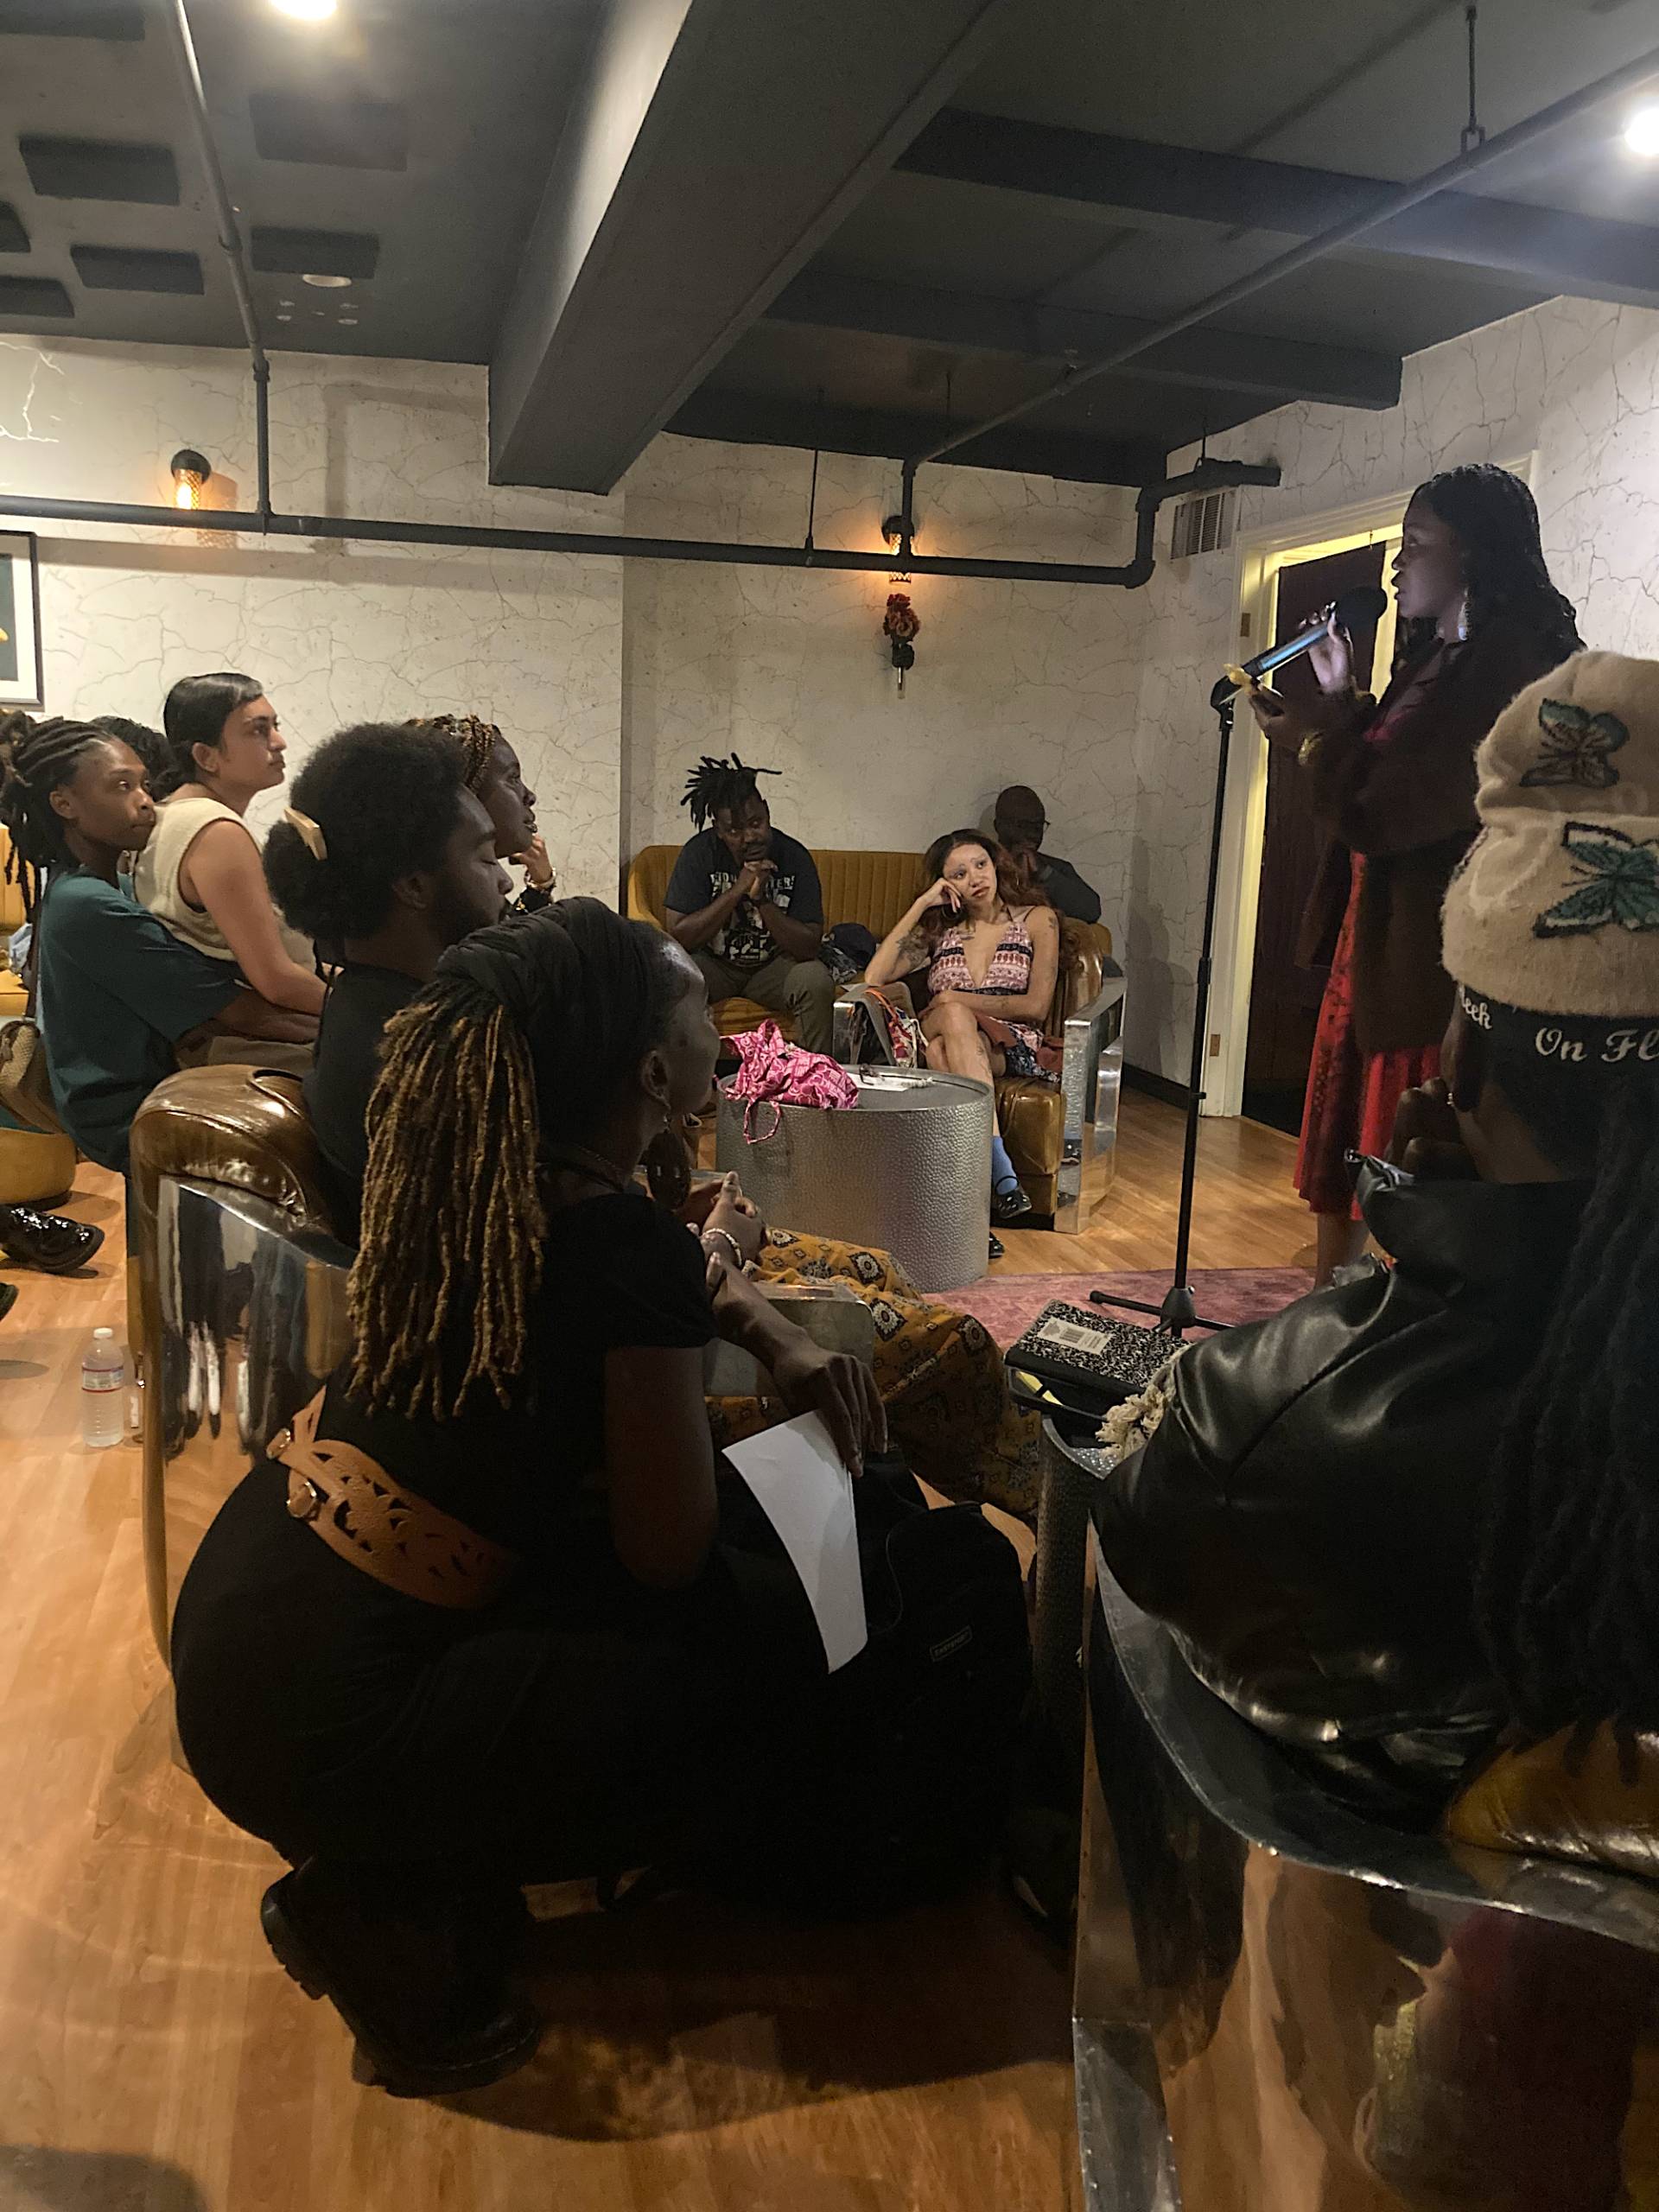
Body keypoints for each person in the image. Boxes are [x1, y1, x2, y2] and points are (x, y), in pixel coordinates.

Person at [169, 901, 1027, 2093]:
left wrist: (728, 1300)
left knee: (749, 1573)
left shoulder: (478, 1190)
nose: (713, 1028)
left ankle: (416, 1855)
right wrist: (708, 1293)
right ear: (649, 1070)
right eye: (691, 1006)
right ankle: (382, 1899)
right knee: (756, 1658)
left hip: (252, 1635)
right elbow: (667, 1554)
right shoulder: (621, 1247)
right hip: (333, 1722)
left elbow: (628, 1277)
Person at [1093, 648, 1659, 1821]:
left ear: (1461, 1058)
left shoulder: (1271, 1416)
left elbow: (1143, 1539)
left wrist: (1412, 1260)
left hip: (1374, 1951)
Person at [1247, 464, 1583, 1284]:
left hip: (1439, 952)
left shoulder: (1515, 661)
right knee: (1347, 1144)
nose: (1398, 565)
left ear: (1470, 553)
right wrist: (1343, 700)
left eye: (1416, 543)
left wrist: (1315, 740)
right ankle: (1331, 1315)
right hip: (1383, 927)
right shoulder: (1440, 655)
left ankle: (1386, 1322)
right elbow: (1387, 772)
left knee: (1410, 1148)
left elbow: (1397, 808)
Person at [0, 715, 312, 1174]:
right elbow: (242, 1013)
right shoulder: (87, 903)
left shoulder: (99, 884)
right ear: (64, 803)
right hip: (127, 1108)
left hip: (143, 1080)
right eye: (121, 787)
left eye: (144, 785)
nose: (145, 802)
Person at [264, 723, 511, 1238]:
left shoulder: (367, 1003)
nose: (505, 879)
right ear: (415, 886)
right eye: (486, 858)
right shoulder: (431, 1057)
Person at [867, 830, 1059, 1228]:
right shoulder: (941, 930)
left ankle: (966, 1208)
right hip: (943, 1024)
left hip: (1008, 1041)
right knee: (952, 1023)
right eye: (958, 873)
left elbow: (1037, 1006)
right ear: (945, 885)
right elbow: (876, 975)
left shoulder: (1037, 920)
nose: (974, 877)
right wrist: (921, 905)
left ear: (996, 864)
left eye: (980, 864)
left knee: (941, 1050)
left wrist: (957, 999)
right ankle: (1001, 1174)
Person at [135, 673, 326, 1020]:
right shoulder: (216, 832)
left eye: (275, 726)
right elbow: (277, 980)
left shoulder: (172, 812)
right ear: (206, 756)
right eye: (259, 730)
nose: (279, 742)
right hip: (259, 1047)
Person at [664, 754, 832, 1052]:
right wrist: (736, 891)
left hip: (772, 969)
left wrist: (762, 900)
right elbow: (677, 935)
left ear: (767, 812)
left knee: (815, 979)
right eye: (734, 831)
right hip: (713, 967)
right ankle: (679, 1089)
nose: (749, 837)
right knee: (671, 976)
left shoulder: (794, 856)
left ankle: (814, 1081)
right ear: (718, 830)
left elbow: (809, 945)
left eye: (756, 823)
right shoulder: (699, 854)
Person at [404, 712, 556, 912]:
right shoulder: (444, 907)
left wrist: (541, 885)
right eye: (513, 778)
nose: (530, 796)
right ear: (467, 790)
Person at [993, 785, 1103, 925]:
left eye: (1038, 827)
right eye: (1022, 825)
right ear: (998, 826)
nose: (1032, 834)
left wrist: (1044, 873)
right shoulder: (981, 868)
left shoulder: (1054, 869)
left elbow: (1091, 912)